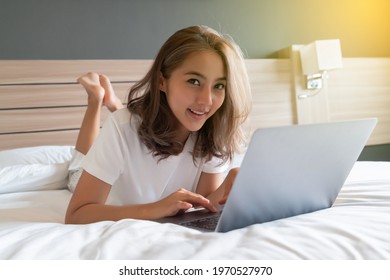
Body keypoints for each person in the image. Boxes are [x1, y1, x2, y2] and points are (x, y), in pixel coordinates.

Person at [65, 25, 251, 224]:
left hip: (134, 123)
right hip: (102, 154)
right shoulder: (121, 126)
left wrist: (229, 186)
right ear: (162, 81)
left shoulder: (212, 127)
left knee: (127, 122)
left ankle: (113, 103)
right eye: (194, 81)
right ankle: (96, 99)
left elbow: (204, 201)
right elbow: (77, 214)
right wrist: (156, 209)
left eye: (219, 86)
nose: (207, 101)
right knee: (78, 166)